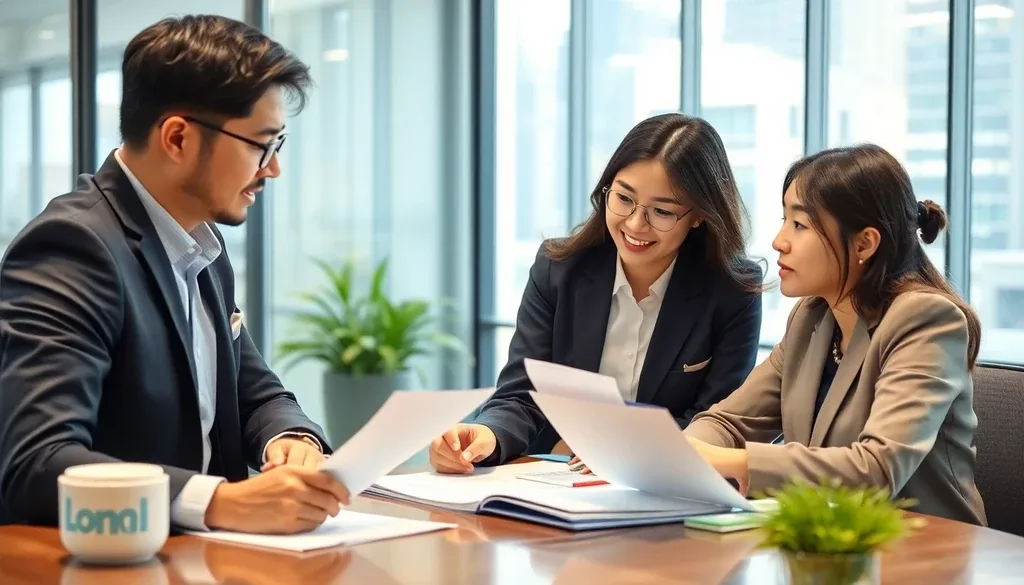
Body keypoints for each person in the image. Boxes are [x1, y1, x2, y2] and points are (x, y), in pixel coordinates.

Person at [0, 15, 349, 534]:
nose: (272, 168)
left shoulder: (201, 245)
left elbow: (254, 392)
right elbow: (37, 460)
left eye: (279, 145)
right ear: (178, 138)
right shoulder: (73, 247)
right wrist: (220, 503)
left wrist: (290, 440)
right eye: (262, 144)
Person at [430, 113, 764, 474]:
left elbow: (715, 422)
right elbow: (522, 396)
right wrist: (485, 434)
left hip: (665, 488)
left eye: (662, 211)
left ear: (699, 215)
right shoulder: (559, 269)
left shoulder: (733, 291)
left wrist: (624, 453)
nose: (636, 224)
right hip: (555, 481)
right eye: (623, 198)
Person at [682, 144, 987, 525]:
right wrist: (681, 453)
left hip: (925, 553)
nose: (779, 241)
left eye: (799, 224)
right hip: (824, 544)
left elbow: (875, 470)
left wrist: (730, 461)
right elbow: (730, 422)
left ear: (864, 243)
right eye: (784, 220)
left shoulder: (927, 319)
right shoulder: (811, 319)